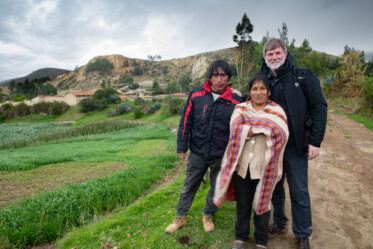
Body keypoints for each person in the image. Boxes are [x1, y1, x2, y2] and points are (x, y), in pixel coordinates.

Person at [260, 38, 327, 249]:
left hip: (296, 146)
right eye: (270, 55)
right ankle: (279, 223)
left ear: (285, 54)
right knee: (275, 188)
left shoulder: (303, 76)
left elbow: (319, 107)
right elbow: (252, 101)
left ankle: (302, 233)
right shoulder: (263, 80)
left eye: (277, 53)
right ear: (265, 57)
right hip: (272, 147)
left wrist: (315, 141)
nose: (274, 57)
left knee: (299, 190)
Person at [165, 60, 244, 234]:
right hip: (198, 152)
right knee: (189, 185)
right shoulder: (196, 94)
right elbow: (185, 121)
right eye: (216, 75)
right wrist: (181, 147)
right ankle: (180, 217)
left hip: (221, 154)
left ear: (228, 77)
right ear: (210, 76)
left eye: (223, 75)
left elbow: (252, 107)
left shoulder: (236, 99)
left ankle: (208, 215)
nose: (219, 79)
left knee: (217, 187)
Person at [214, 74, 289, 249]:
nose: (258, 92)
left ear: (269, 92)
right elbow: (235, 129)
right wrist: (262, 128)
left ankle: (261, 241)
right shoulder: (240, 108)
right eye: (255, 89)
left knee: (262, 204)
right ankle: (240, 237)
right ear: (250, 92)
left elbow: (281, 132)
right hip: (243, 167)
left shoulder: (277, 111)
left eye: (262, 89)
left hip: (265, 168)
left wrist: (250, 127)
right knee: (243, 203)